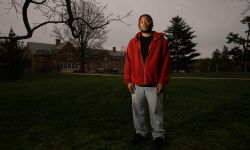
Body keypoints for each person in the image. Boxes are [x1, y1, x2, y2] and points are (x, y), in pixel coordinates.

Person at [124, 14, 171, 150]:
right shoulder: (133, 42)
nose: (144, 23)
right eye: (142, 21)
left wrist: (162, 81)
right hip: (136, 85)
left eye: (147, 21)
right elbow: (128, 63)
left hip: (154, 85)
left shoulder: (161, 41)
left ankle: (158, 136)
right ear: (139, 24)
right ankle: (141, 133)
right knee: (137, 111)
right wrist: (128, 81)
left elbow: (166, 64)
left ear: (152, 23)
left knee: (156, 111)